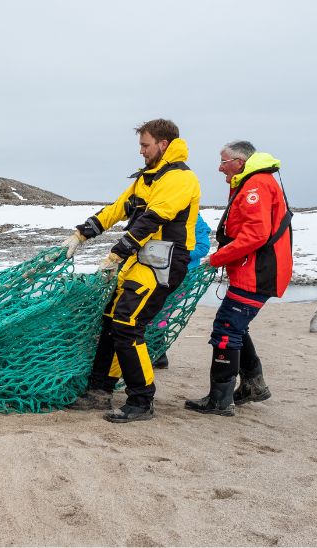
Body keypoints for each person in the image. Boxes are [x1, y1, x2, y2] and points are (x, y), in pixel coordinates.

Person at [63, 119, 201, 423]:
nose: (141, 151)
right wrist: (82, 233)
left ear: (163, 144)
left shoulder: (180, 178)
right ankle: (99, 390)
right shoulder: (148, 177)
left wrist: (117, 252)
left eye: (145, 145)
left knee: (128, 324)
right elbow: (119, 208)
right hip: (141, 262)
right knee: (112, 320)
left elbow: (153, 218)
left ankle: (141, 400)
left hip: (164, 263)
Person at [185, 141, 293, 416]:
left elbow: (255, 235)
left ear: (240, 161)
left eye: (224, 161)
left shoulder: (256, 185)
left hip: (257, 273)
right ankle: (254, 385)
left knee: (226, 329)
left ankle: (220, 400)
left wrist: (217, 258)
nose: (220, 168)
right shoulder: (253, 182)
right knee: (235, 327)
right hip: (256, 270)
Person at [150, 212, 212, 369]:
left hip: (183, 276)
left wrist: (173, 255)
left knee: (161, 311)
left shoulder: (194, 219)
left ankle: (158, 354)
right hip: (161, 273)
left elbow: (203, 248)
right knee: (156, 311)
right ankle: (157, 353)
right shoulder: (165, 214)